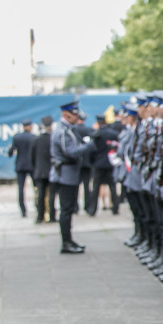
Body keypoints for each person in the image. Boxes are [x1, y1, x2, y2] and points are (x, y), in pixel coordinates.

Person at [50, 100, 95, 254]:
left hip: (69, 173)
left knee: (68, 209)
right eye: (74, 114)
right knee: (66, 209)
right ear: (66, 114)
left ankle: (69, 240)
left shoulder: (68, 128)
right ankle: (66, 242)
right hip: (66, 174)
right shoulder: (63, 131)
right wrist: (88, 145)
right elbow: (71, 152)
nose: (77, 116)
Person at [86, 114, 120, 216]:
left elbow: (91, 150)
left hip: (98, 164)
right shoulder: (112, 134)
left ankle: (92, 209)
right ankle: (115, 207)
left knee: (96, 188)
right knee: (113, 187)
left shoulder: (96, 134)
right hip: (110, 163)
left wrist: (92, 162)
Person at [7, 119, 36, 218]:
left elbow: (10, 152)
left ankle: (23, 210)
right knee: (36, 187)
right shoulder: (33, 137)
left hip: (20, 165)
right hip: (31, 165)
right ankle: (38, 206)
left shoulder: (17, 137)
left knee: (21, 189)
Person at [31, 116, 55, 224]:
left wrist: (35, 167)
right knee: (51, 194)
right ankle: (52, 215)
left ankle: (40, 216)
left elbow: (32, 157)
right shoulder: (53, 138)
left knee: (40, 195)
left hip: (40, 171)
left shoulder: (36, 140)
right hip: (51, 170)